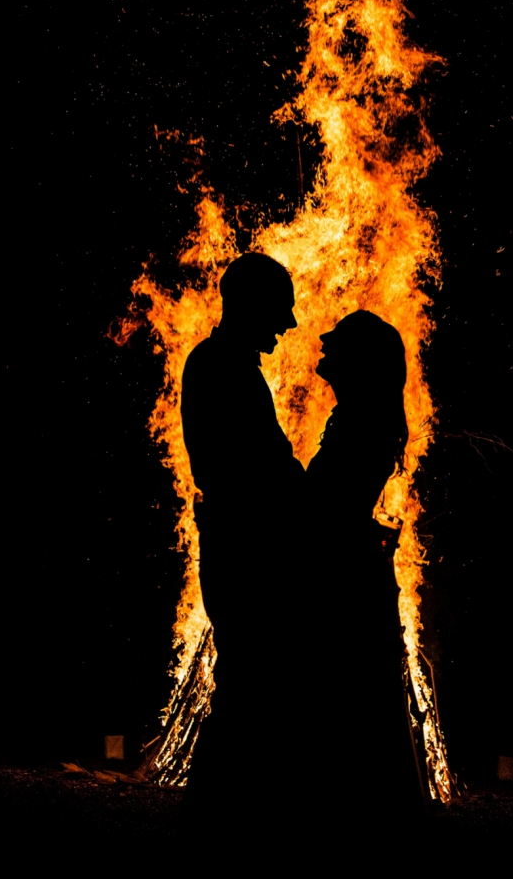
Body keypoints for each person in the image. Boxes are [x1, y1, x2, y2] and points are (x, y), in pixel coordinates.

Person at [180, 252, 305, 825]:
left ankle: (224, 810)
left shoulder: (224, 366)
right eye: (281, 308)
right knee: (250, 683)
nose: (290, 324)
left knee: (249, 682)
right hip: (243, 549)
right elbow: (266, 465)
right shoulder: (223, 370)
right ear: (250, 305)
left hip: (240, 541)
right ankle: (218, 813)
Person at [304, 310, 425, 852]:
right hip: (351, 571)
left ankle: (365, 829)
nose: (323, 353)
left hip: (345, 580)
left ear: (359, 362)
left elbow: (327, 499)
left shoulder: (361, 421)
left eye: (337, 348)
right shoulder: (361, 415)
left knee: (351, 700)